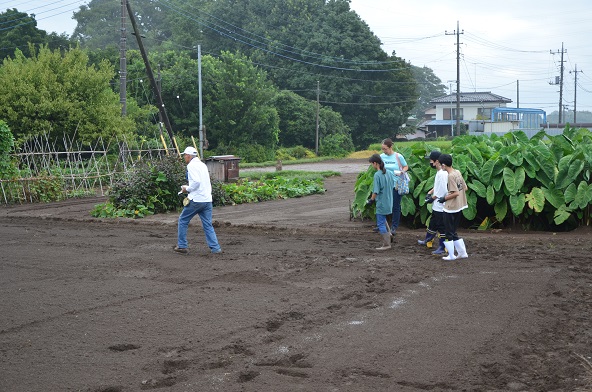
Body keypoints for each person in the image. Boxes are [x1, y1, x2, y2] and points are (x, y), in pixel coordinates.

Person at [174, 147, 222, 254]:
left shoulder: (191, 165)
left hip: (196, 199)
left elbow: (196, 182)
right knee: (208, 225)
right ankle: (215, 248)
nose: (184, 157)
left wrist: (187, 189)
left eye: (184, 155)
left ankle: (182, 245)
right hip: (207, 200)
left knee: (183, 220)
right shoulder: (202, 165)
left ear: (188, 155)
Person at [435, 153, 468, 261]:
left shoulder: (450, 176)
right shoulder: (457, 172)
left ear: (444, 165)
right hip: (460, 205)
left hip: (451, 208)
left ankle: (451, 255)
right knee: (453, 231)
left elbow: (455, 193)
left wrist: (444, 198)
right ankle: (462, 253)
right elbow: (465, 188)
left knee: (448, 231)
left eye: (440, 164)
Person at [418, 150, 448, 255]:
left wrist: (433, 198)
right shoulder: (439, 173)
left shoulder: (443, 174)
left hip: (441, 205)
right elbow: (437, 187)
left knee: (441, 227)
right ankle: (428, 239)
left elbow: (443, 190)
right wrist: (430, 192)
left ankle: (442, 246)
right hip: (437, 206)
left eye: (431, 160)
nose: (430, 163)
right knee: (433, 223)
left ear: (436, 161)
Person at [380, 138, 409, 235]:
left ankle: (394, 227)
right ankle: (382, 225)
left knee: (395, 206)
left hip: (396, 185)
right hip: (385, 185)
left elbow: (406, 166)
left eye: (385, 149)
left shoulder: (398, 156)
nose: (384, 151)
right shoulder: (382, 157)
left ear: (390, 147)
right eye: (382, 149)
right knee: (384, 205)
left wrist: (402, 172)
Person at [367, 154, 394, 251]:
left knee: (380, 222)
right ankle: (390, 235)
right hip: (389, 201)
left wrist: (371, 200)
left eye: (372, 164)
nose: (372, 166)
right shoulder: (389, 173)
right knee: (384, 218)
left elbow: (375, 191)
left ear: (375, 163)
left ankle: (387, 244)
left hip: (382, 202)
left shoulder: (377, 175)